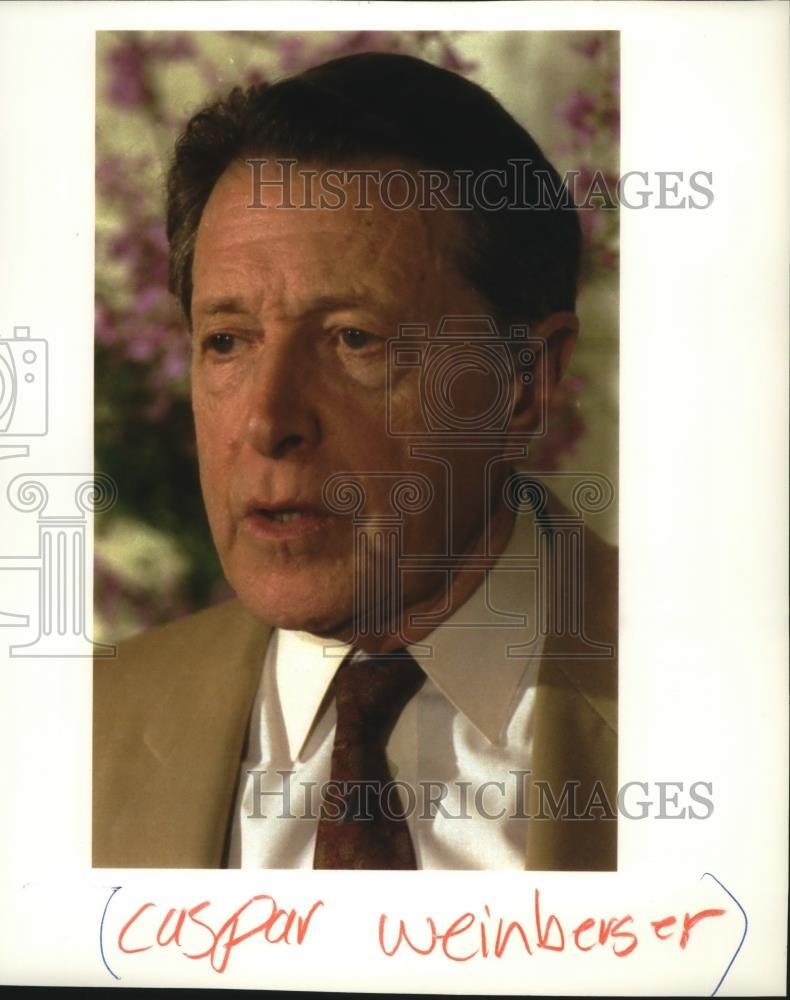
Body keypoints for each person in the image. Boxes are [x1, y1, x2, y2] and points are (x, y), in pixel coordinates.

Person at [93, 52, 617, 871]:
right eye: (227, 341)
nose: (268, 422)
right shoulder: (75, 732)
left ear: (525, 381)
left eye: (354, 339)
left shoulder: (726, 699)